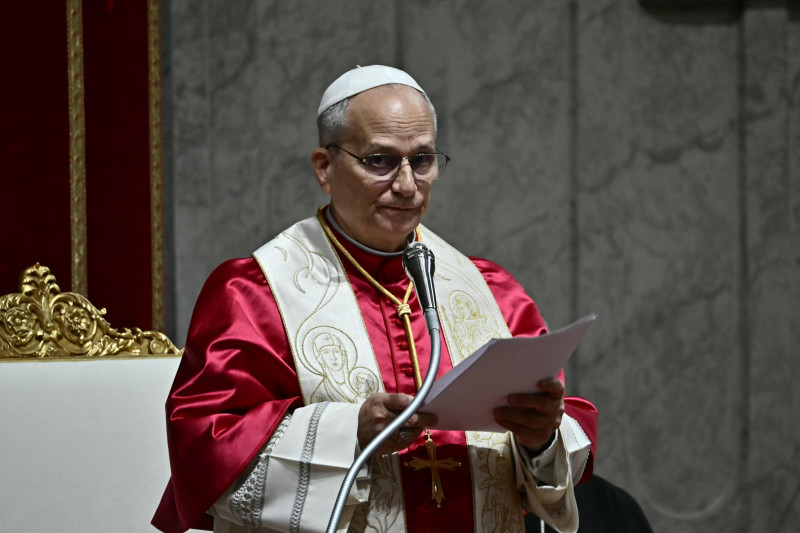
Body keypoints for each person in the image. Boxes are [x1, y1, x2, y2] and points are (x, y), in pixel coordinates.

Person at [152, 65, 598, 533]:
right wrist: (349, 431)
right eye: (380, 160)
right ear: (324, 168)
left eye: (422, 160)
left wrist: (540, 439)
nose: (406, 185)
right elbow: (205, 450)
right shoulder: (255, 294)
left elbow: (558, 442)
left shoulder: (493, 291)